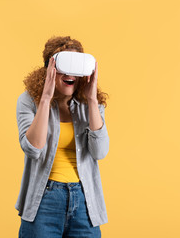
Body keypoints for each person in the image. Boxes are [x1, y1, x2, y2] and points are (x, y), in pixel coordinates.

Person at [15, 36, 109, 238]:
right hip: (44, 200)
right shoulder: (29, 101)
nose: (70, 74)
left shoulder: (90, 105)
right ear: (49, 70)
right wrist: (46, 98)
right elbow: (33, 149)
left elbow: (100, 151)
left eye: (76, 68)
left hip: (85, 200)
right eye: (64, 67)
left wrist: (92, 99)